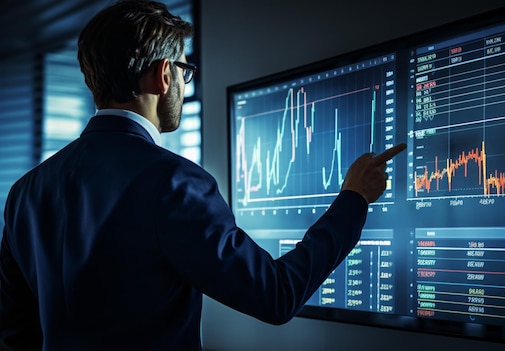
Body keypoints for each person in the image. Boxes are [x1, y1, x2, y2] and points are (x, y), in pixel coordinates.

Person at [0, 0, 407, 350]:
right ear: (163, 75)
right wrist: (353, 199)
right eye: (183, 69)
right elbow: (276, 295)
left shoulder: (26, 191)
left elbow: (16, 333)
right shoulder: (172, 182)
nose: (183, 79)